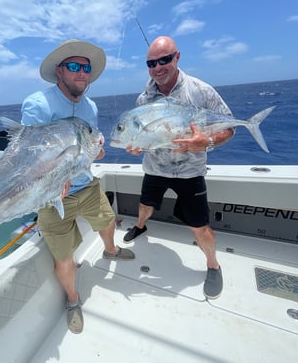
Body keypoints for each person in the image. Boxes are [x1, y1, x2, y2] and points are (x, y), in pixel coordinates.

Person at [21, 39, 135, 334]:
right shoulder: (38, 104)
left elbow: (92, 147)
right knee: (64, 257)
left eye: (86, 67)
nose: (82, 72)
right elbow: (29, 156)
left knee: (107, 221)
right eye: (74, 66)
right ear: (59, 71)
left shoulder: (91, 106)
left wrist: (96, 152)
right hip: (51, 198)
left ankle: (110, 250)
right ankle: (73, 300)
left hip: (86, 185)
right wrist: (52, 181)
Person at [124, 36, 234, 299]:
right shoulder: (144, 98)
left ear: (177, 57)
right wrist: (137, 145)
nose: (158, 67)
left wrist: (205, 142)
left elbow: (229, 128)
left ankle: (213, 264)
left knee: (199, 227)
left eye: (164, 60)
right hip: (155, 166)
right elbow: (143, 136)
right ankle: (141, 226)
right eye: (151, 63)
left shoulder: (200, 91)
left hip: (190, 171)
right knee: (145, 205)